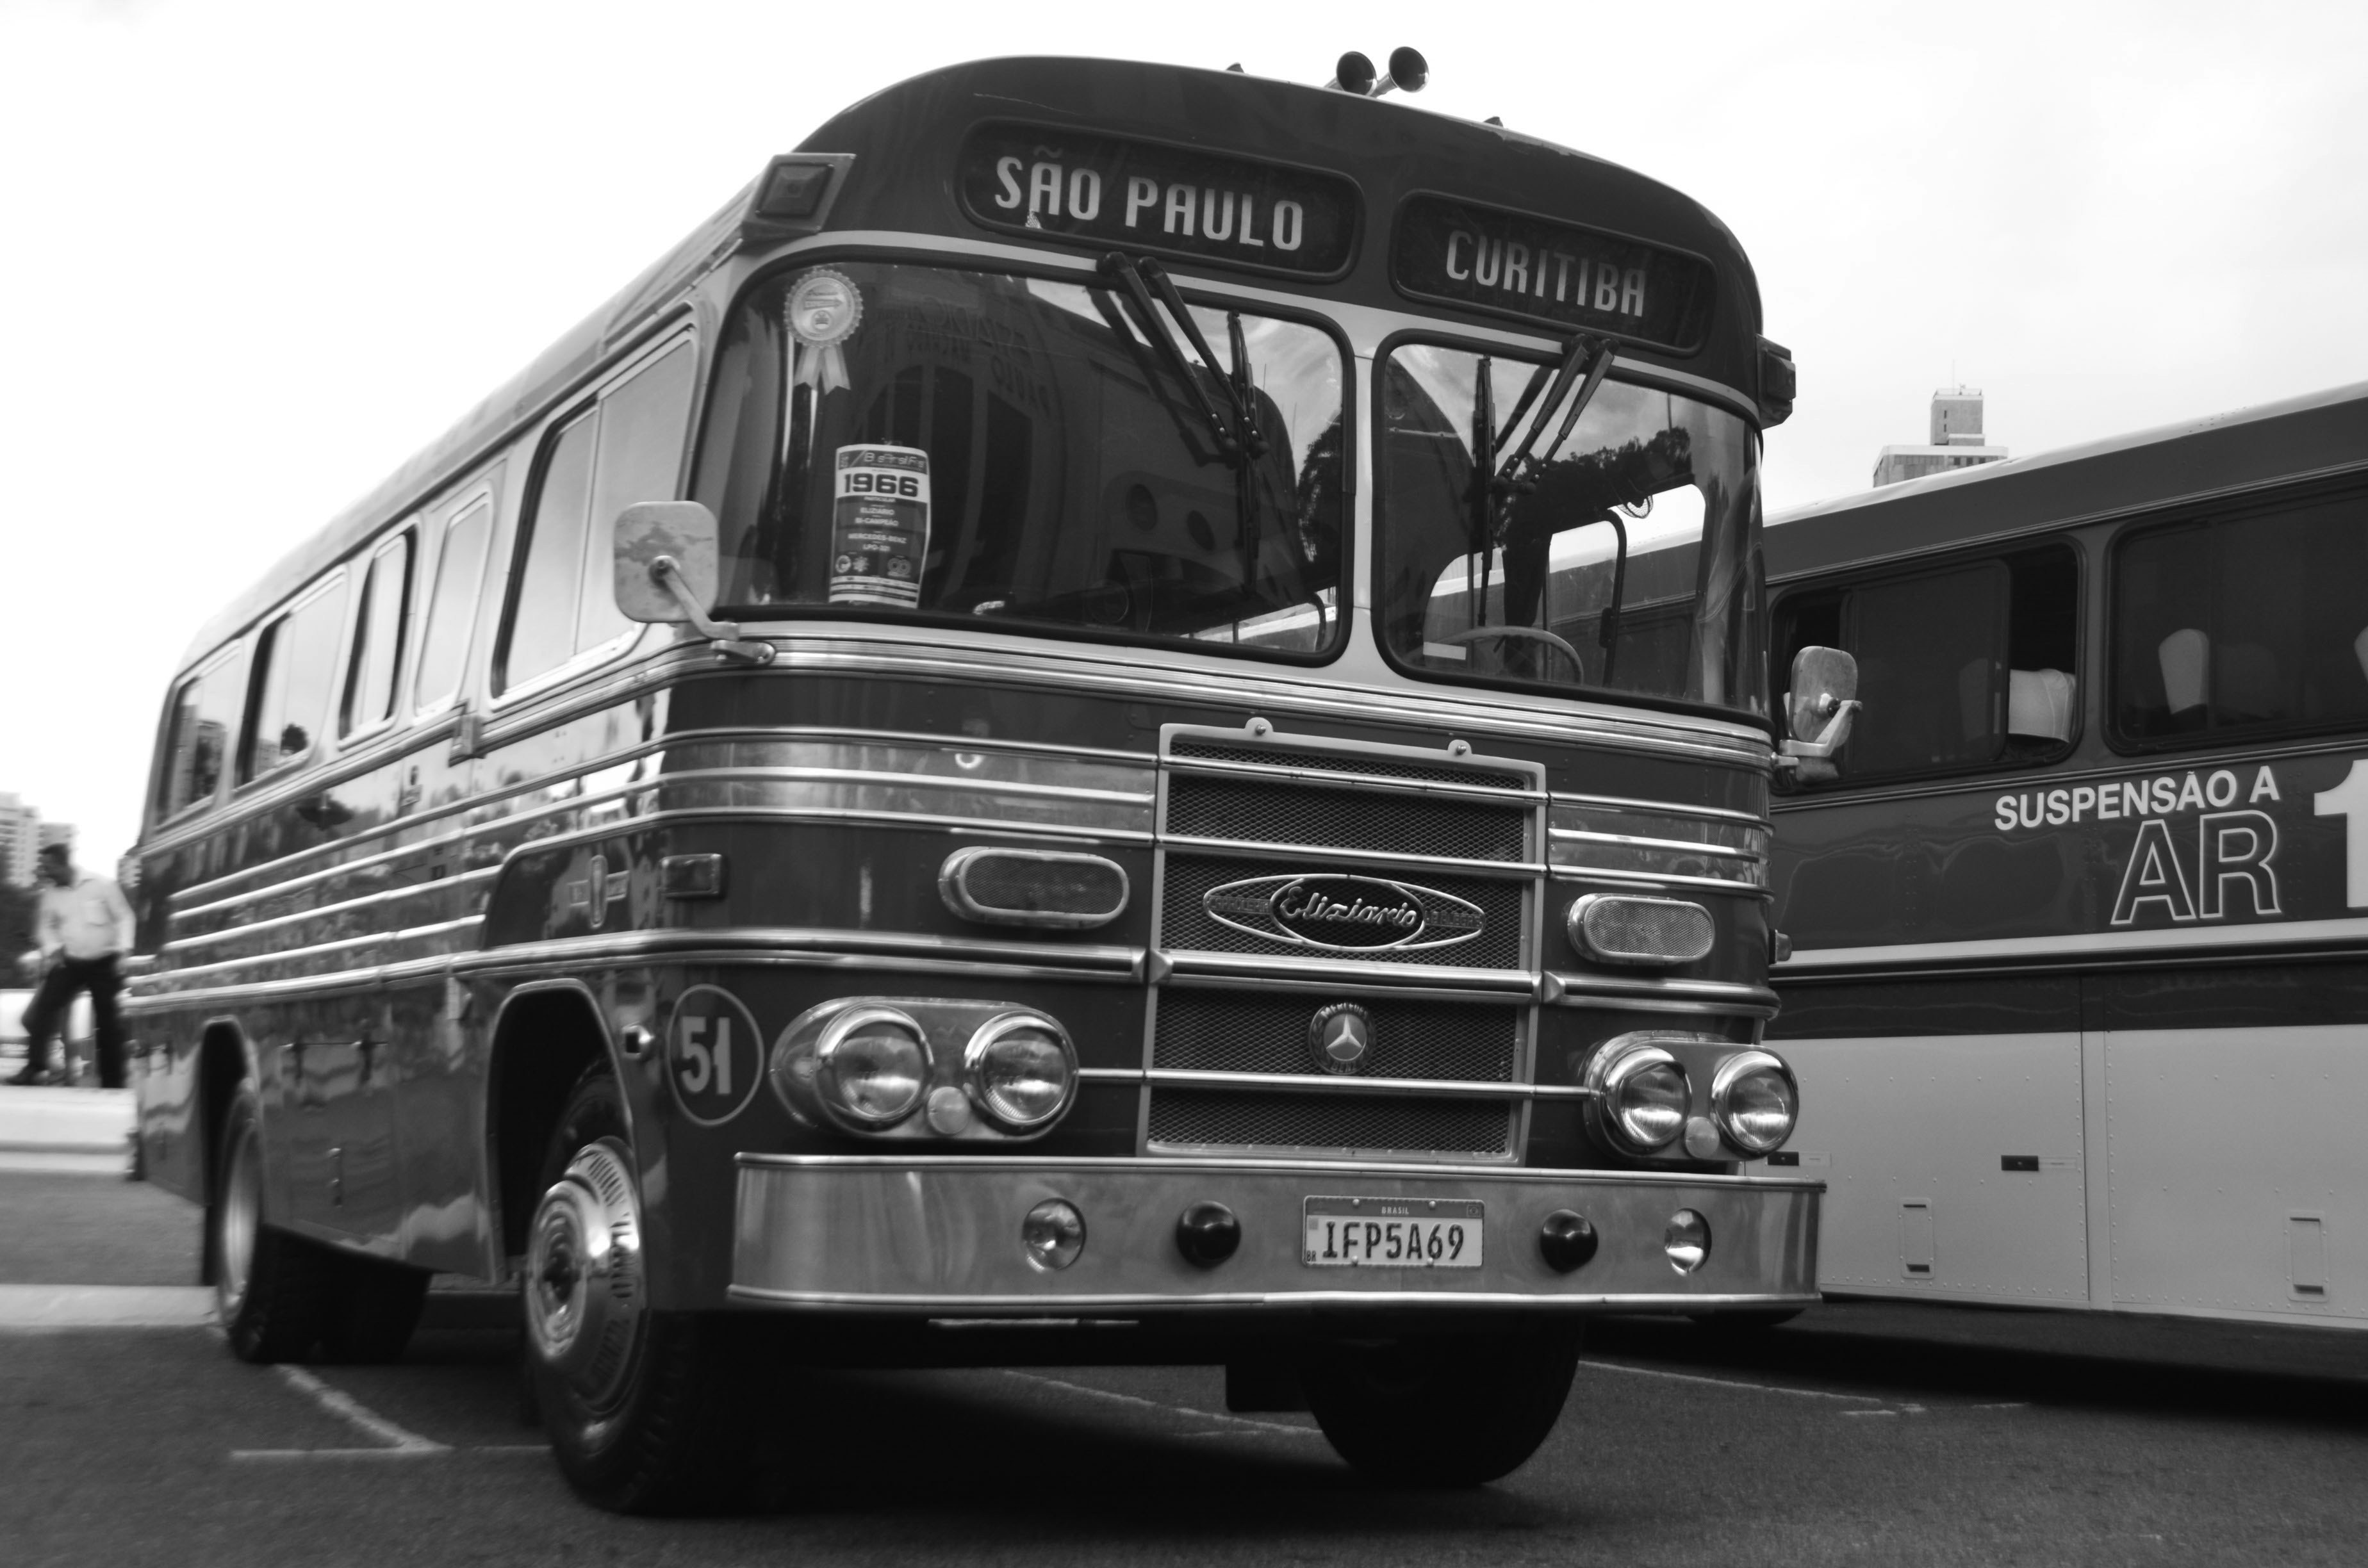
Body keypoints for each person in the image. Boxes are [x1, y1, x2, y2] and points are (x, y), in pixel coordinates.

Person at [12, 844, 134, 1088]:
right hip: (71, 962)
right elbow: (45, 926)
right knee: (43, 1010)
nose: (46, 873)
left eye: (50, 867)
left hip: (105, 962)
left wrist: (124, 951)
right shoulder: (51, 894)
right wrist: (52, 948)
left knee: (109, 1021)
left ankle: (113, 1079)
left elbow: (124, 917)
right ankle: (35, 1067)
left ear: (63, 863)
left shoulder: (101, 884)